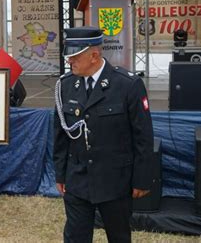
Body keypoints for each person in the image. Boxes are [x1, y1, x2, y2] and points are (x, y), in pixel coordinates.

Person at [53, 26, 154, 243]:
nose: (70, 62)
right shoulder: (65, 86)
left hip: (115, 180)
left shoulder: (128, 85)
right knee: (75, 236)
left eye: (75, 57)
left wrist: (142, 179)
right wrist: (61, 174)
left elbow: (143, 137)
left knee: (118, 236)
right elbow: (60, 135)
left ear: (94, 55)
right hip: (78, 178)